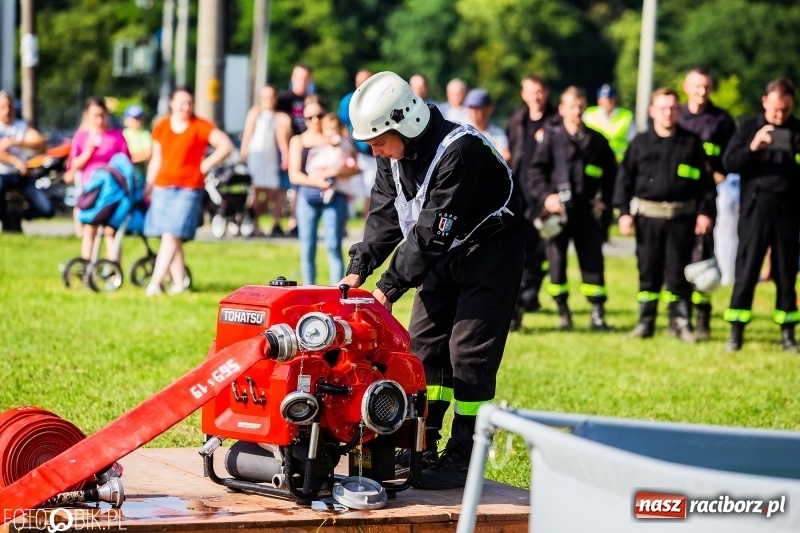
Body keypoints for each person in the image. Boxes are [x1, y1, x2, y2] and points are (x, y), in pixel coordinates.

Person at [340, 71, 525, 489]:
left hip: (489, 251)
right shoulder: (392, 154)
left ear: (405, 122)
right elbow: (386, 213)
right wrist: (359, 268)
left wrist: (387, 289)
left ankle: (464, 455)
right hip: (442, 251)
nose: (376, 152)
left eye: (379, 142)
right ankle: (418, 442)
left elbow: (431, 231)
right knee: (422, 348)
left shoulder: (460, 151)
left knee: (468, 353)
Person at [613, 87, 716, 342]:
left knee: (678, 272)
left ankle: (681, 324)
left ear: (678, 111)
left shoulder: (691, 144)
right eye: (662, 108)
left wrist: (705, 213)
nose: (668, 113)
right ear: (652, 111)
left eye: (672, 108)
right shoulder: (640, 143)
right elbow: (623, 181)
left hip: (682, 219)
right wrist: (624, 214)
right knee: (648, 271)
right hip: (648, 219)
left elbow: (706, 186)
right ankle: (645, 323)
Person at [527, 86, 617, 331]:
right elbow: (535, 172)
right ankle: (563, 312)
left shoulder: (597, 141)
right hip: (557, 213)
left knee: (593, 262)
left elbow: (613, 174)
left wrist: (605, 200)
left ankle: (597, 314)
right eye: (571, 106)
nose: (576, 111)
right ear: (562, 109)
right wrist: (547, 197)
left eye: (580, 106)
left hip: (586, 212)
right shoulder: (551, 138)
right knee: (556, 263)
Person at [722, 78, 800, 352]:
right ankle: (736, 331)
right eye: (776, 109)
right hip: (755, 208)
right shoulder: (748, 129)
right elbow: (729, 163)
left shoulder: (797, 131)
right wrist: (753, 148)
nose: (780, 115)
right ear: (765, 101)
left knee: (786, 272)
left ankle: (788, 333)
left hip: (788, 210)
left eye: (786, 110)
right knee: (747, 268)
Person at [143, 86, 233, 296]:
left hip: (188, 187)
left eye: (189, 103)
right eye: (181, 102)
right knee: (170, 235)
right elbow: (156, 158)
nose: (186, 107)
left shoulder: (200, 126)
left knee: (172, 233)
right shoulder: (162, 126)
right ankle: (180, 282)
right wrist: (149, 184)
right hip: (163, 186)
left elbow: (225, 145)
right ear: (172, 103)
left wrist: (205, 165)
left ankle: (155, 283)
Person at [677, 66, 737, 341]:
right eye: (696, 86)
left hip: (706, 199)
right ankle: (680, 316)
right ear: (685, 87)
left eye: (706, 86)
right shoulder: (675, 116)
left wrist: (717, 172)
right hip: (676, 198)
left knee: (703, 258)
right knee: (677, 259)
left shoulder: (722, 120)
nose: (701, 92)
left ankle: (703, 317)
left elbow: (731, 160)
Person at [506, 74, 559, 329]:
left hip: (543, 192)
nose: (536, 96)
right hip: (518, 190)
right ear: (523, 94)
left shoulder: (555, 121)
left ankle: (530, 293)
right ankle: (520, 295)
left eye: (539, 91)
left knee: (540, 247)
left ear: (546, 92)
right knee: (519, 244)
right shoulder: (517, 119)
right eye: (531, 92)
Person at [288, 100, 358, 286]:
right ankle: (309, 290)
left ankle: (337, 292)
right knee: (308, 248)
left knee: (334, 246)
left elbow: (354, 167)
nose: (315, 120)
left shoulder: (337, 138)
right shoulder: (298, 140)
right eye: (309, 117)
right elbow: (294, 175)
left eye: (319, 115)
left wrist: (333, 173)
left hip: (335, 195)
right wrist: (317, 181)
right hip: (308, 196)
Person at [64, 97, 130, 261]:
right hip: (91, 189)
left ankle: (112, 268)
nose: (100, 120)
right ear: (87, 115)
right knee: (90, 229)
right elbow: (72, 166)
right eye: (95, 116)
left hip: (112, 191)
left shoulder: (116, 136)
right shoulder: (81, 137)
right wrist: (87, 153)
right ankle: (87, 265)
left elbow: (125, 163)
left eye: (103, 115)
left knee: (110, 230)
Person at [240, 85, 292, 237]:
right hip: (256, 157)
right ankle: (254, 224)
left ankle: (255, 218)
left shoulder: (277, 116)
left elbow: (280, 138)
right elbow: (248, 135)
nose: (268, 100)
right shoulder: (255, 113)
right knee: (255, 192)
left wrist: (285, 154)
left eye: (271, 97)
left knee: (270, 193)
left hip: (270, 159)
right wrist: (244, 156)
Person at [0, 90, 51, 233]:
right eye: (2, 107)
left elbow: (40, 143)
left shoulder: (21, 126)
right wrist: (15, 161)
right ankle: (8, 220)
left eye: (9, 107)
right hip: (2, 174)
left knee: (46, 209)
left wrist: (16, 142)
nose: (7, 111)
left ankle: (17, 216)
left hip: (22, 175)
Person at [277, 64, 314, 237]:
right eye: (299, 77)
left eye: (305, 78)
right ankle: (278, 223)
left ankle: (295, 221)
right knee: (284, 187)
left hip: (307, 147)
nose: (302, 81)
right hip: (290, 147)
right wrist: (286, 152)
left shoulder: (312, 101)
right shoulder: (284, 100)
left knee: (299, 187)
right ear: (292, 79)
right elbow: (280, 126)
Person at [338, 68, 376, 216]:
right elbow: (340, 124)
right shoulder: (348, 101)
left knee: (371, 190)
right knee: (351, 189)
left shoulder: (379, 98)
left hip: (373, 153)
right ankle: (345, 221)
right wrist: (349, 146)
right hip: (356, 151)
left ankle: (367, 223)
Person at [583, 84, 636, 164]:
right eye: (604, 98)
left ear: (615, 99)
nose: (607, 101)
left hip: (618, 162)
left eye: (610, 98)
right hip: (594, 159)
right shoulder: (589, 114)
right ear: (599, 100)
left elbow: (633, 141)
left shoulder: (626, 116)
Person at [464, 88, 511, 162]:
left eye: (478, 108)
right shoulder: (461, 132)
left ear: (489, 109)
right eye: (471, 108)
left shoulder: (498, 134)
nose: (473, 112)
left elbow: (506, 156)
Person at [121, 104, 152, 185]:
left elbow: (147, 154)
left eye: (138, 118)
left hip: (139, 174)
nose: (136, 121)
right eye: (133, 118)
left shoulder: (145, 134)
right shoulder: (122, 134)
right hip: (123, 173)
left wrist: (129, 157)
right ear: (126, 120)